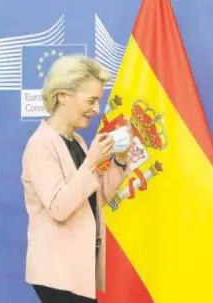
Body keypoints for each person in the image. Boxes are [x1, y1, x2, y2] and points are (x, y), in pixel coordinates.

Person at [21, 55, 132, 303]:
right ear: (63, 95)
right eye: (91, 101)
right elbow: (59, 207)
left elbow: (100, 194)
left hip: (77, 268)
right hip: (57, 271)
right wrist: (92, 163)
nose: (96, 109)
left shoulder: (78, 141)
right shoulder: (40, 145)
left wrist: (120, 160)